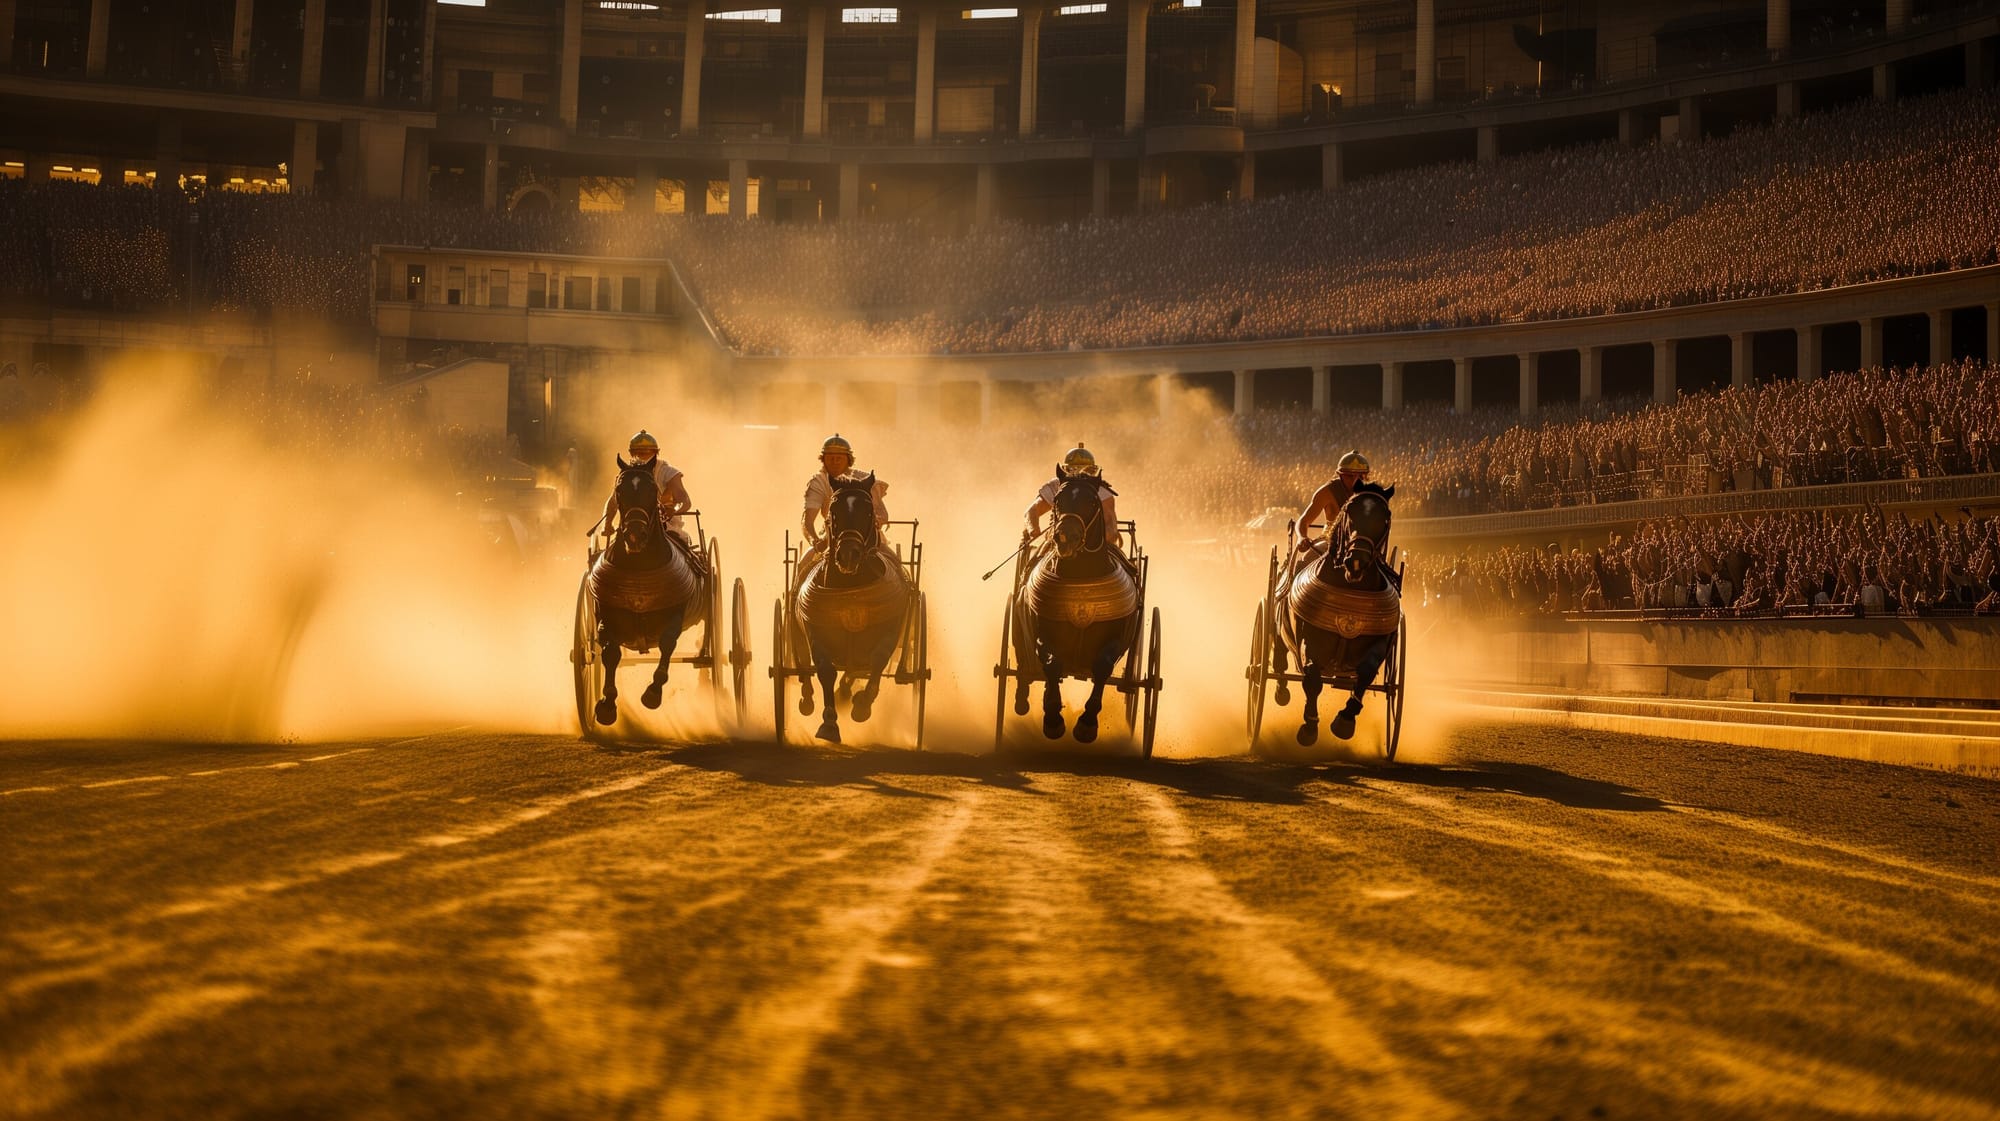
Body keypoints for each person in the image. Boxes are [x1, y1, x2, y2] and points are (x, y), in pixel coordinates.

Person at [601, 429, 694, 547]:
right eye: (637, 453)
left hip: (666, 524)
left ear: (655, 453)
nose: (641, 457)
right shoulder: (626, 476)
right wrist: (607, 524)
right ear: (631, 454)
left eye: (646, 453)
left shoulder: (668, 473)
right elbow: (614, 500)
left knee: (680, 543)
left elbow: (685, 501)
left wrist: (673, 511)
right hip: (631, 524)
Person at [1023, 443, 1118, 542]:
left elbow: (1111, 531)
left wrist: (1084, 541)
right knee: (1039, 555)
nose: (1079, 475)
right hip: (1057, 539)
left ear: (1092, 471)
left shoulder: (1102, 492)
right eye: (1073, 470)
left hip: (1091, 541)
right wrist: (1035, 533)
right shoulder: (1057, 485)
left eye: (1085, 471)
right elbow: (1032, 511)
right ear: (1066, 470)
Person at [1294, 450, 1373, 554]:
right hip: (1329, 543)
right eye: (1349, 476)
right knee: (1306, 560)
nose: (1355, 480)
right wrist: (1302, 537)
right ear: (1340, 475)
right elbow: (1304, 521)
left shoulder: (1372, 495)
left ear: (1365, 476)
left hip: (1361, 545)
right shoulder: (1327, 492)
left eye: (1360, 476)